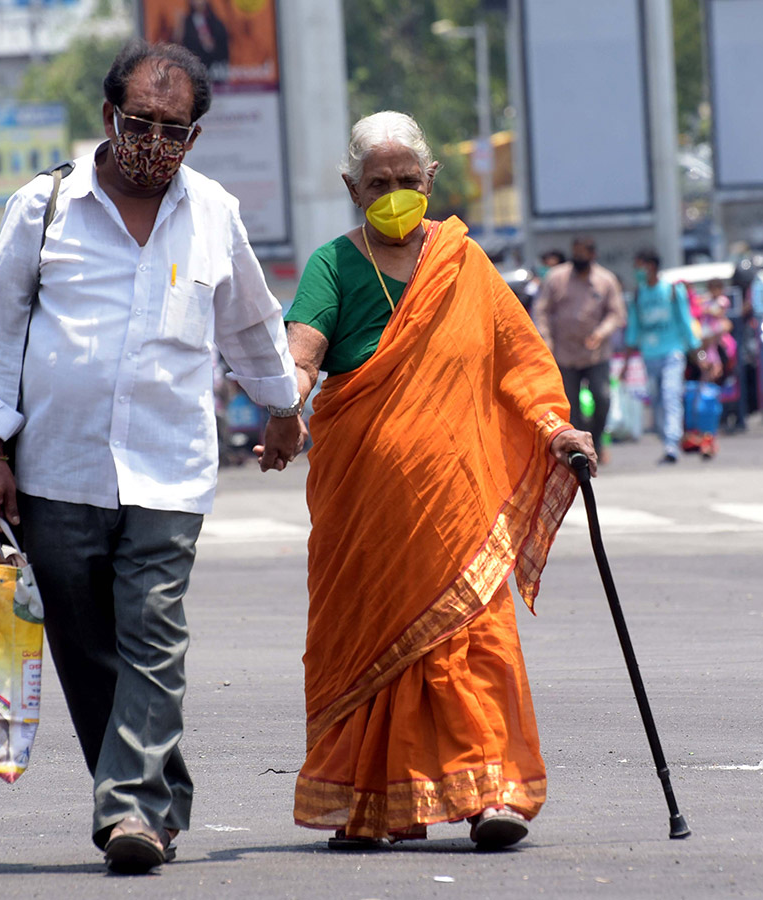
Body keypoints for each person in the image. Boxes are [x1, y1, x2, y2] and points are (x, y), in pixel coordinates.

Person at [0, 40, 305, 874]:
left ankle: (128, 814)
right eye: (140, 122)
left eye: (173, 128)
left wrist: (285, 409)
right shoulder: (42, 207)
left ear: (196, 136)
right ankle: (156, 795)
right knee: (85, 643)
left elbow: (252, 326)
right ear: (108, 116)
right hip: (56, 468)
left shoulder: (215, 212)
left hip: (169, 469)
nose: (155, 139)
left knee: (153, 634)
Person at [285, 111, 596, 850]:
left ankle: (490, 794)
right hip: (364, 506)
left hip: (458, 500)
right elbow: (302, 352)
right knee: (370, 647)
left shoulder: (466, 264)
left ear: (431, 181)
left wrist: (556, 427)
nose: (394, 194)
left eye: (405, 181)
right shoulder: (334, 263)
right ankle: (380, 804)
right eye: (377, 184)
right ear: (352, 188)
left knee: (474, 637)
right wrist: (283, 403)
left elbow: (519, 362)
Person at [533, 237, 625, 462]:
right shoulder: (556, 278)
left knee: (602, 398)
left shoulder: (606, 280)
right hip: (564, 354)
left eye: (583, 254)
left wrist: (601, 332)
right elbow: (541, 311)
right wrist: (546, 340)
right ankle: (582, 448)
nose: (578, 258)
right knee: (570, 406)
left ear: (593, 255)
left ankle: (598, 439)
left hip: (596, 354)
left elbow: (617, 314)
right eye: (576, 253)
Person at [624, 249, 704, 464]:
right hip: (650, 356)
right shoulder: (638, 295)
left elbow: (685, 322)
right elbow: (634, 330)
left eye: (639, 265)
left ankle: (671, 444)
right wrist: (625, 362)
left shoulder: (671, 291)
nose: (637, 271)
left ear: (651, 266)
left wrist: (697, 351)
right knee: (657, 400)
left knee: (671, 396)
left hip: (672, 353)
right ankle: (666, 438)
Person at [681, 278, 732, 459]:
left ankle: (708, 439)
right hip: (700, 354)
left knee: (708, 396)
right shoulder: (693, 313)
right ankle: (700, 438)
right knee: (700, 396)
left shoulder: (716, 307)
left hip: (710, 352)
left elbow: (719, 320)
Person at [174, 0, 230, 79]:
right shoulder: (187, 22)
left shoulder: (214, 21)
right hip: (194, 69)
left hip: (215, 70)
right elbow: (177, 43)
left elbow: (222, 46)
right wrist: (180, 25)